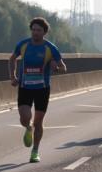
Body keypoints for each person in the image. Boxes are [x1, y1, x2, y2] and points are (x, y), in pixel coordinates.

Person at [8, 17, 67, 163]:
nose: (35, 32)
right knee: (25, 118)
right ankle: (28, 128)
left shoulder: (50, 48)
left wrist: (56, 68)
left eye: (38, 30)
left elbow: (63, 67)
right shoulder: (23, 44)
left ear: (44, 32)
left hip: (42, 89)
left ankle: (35, 151)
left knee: (38, 122)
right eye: (33, 30)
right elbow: (12, 59)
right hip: (25, 87)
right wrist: (13, 77)